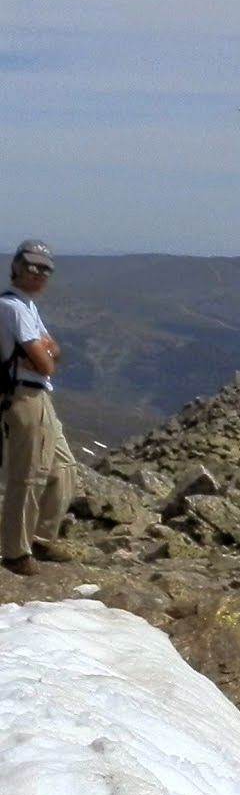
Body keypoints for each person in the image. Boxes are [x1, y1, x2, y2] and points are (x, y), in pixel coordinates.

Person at [0, 241, 77, 578]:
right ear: (16, 267)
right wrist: (41, 351)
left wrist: (42, 350)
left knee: (63, 470)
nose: (37, 273)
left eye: (45, 269)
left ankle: (41, 538)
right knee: (28, 476)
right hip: (24, 398)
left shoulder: (27, 307)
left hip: (39, 398)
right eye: (31, 266)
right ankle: (15, 553)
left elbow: (52, 351)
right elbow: (47, 363)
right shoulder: (13, 308)